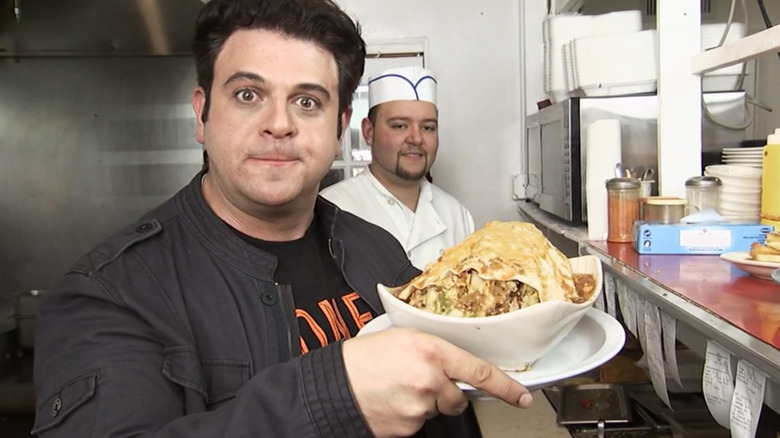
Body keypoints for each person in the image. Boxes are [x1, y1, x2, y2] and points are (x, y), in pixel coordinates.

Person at [32, 1, 532, 438]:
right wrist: (335, 399)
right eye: (248, 94)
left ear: (338, 130)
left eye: (307, 101)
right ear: (202, 115)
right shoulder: (108, 295)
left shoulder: (377, 249)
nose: (279, 123)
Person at [320, 66, 475, 270]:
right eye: (400, 126)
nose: (416, 138)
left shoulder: (457, 214)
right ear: (368, 132)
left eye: (428, 127)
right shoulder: (331, 210)